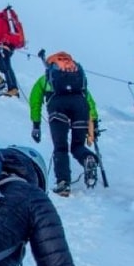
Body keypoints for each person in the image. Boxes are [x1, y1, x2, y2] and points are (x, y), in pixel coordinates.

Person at [29, 51, 100, 196]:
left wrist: (36, 124)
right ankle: (87, 157)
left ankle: (63, 183)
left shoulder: (47, 78)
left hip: (58, 108)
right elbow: (89, 100)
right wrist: (94, 123)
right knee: (77, 145)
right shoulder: (78, 76)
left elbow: (34, 100)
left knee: (60, 147)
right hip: (81, 107)